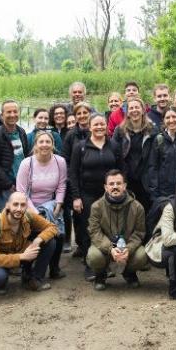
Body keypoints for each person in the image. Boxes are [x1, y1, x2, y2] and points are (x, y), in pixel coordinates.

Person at [68, 114, 123, 278]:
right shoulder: (81, 146)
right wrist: (76, 197)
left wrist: (120, 191)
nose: (99, 127)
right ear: (90, 127)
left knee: (109, 228)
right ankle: (89, 264)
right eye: (96, 125)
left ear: (106, 126)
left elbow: (121, 170)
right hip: (87, 194)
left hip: (109, 195)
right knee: (88, 229)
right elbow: (73, 173)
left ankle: (105, 263)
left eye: (102, 124)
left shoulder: (113, 145)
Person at [16, 132, 68, 279]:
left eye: (48, 142)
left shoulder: (60, 162)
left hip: (52, 206)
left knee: (59, 235)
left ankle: (55, 268)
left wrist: (58, 204)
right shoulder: (27, 163)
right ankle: (27, 269)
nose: (44, 144)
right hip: (29, 207)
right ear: (36, 145)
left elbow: (61, 185)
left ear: (53, 145)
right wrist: (36, 214)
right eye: (41, 142)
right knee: (35, 237)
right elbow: (21, 191)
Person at [87, 170, 150, 290]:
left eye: (118, 183)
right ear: (106, 187)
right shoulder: (96, 207)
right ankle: (100, 275)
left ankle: (129, 273)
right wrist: (110, 249)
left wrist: (128, 249)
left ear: (124, 186)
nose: (115, 187)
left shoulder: (137, 207)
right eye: (111, 184)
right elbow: (95, 233)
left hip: (127, 246)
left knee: (142, 255)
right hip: (105, 247)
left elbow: (139, 233)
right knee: (94, 256)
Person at [0, 191, 59, 294]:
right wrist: (21, 257)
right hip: (3, 260)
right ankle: (4, 278)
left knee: (50, 241)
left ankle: (35, 279)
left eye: (23, 205)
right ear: (8, 205)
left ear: (26, 207)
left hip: (24, 253)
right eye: (15, 204)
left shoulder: (28, 216)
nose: (19, 209)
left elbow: (52, 227)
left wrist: (38, 240)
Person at [0, 100, 31, 213]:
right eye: (9, 112)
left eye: (15, 111)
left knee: (24, 217)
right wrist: (8, 185)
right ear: (2, 115)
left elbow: (25, 156)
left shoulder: (21, 131)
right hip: (5, 186)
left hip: (22, 183)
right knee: (7, 219)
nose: (12, 115)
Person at [112, 96, 155, 212]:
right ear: (127, 112)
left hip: (146, 180)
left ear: (143, 110)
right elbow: (114, 154)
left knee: (146, 212)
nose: (134, 110)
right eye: (131, 108)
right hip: (127, 178)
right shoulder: (119, 130)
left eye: (137, 107)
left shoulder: (152, 130)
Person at [149, 109, 176, 200]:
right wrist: (154, 192)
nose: (171, 120)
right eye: (167, 117)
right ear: (163, 120)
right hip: (164, 191)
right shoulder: (159, 140)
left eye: (174, 117)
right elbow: (153, 167)